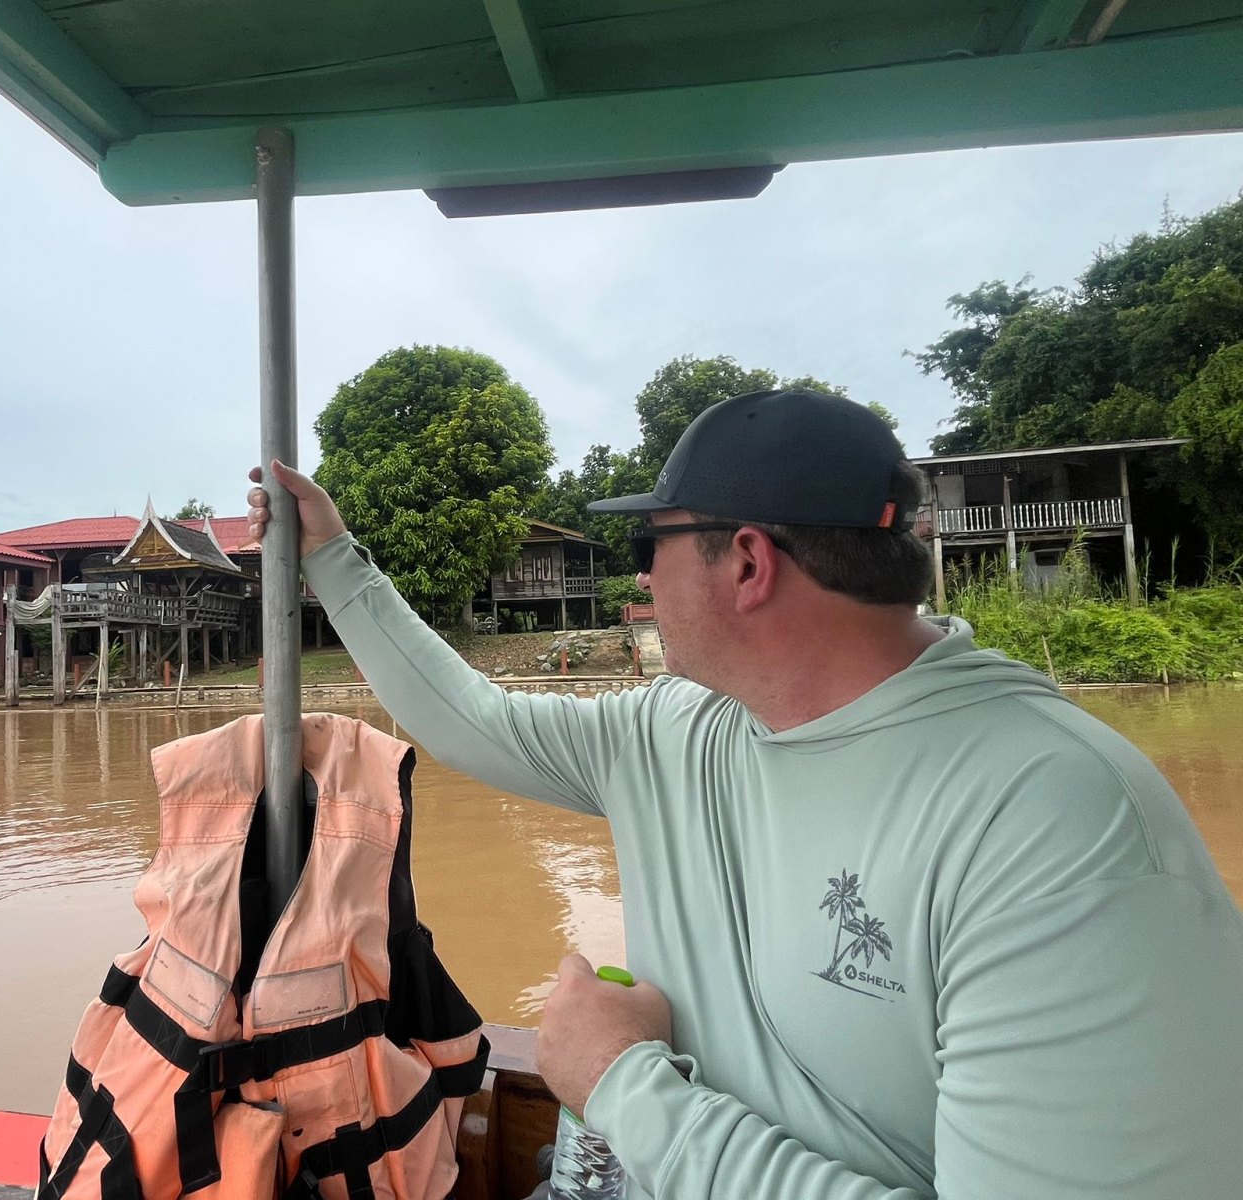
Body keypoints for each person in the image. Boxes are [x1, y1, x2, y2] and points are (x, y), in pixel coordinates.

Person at [245, 389, 1243, 1198]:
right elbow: (469, 718)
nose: (639, 583)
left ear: (749, 562)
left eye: (651, 547)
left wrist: (622, 1083)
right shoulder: (676, 731)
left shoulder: (1058, 823)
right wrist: (332, 556)